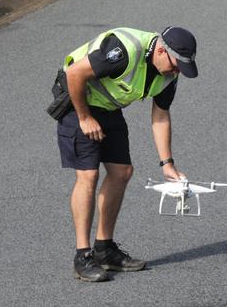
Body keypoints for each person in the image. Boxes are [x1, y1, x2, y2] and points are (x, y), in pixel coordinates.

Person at [57, 26, 198, 282]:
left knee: (122, 172)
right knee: (88, 175)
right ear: (162, 50)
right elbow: (74, 73)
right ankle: (82, 256)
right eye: (176, 65)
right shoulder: (123, 51)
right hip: (77, 101)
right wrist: (85, 117)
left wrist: (167, 163)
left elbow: (160, 114)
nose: (177, 71)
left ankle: (104, 249)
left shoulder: (168, 74)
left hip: (108, 107)